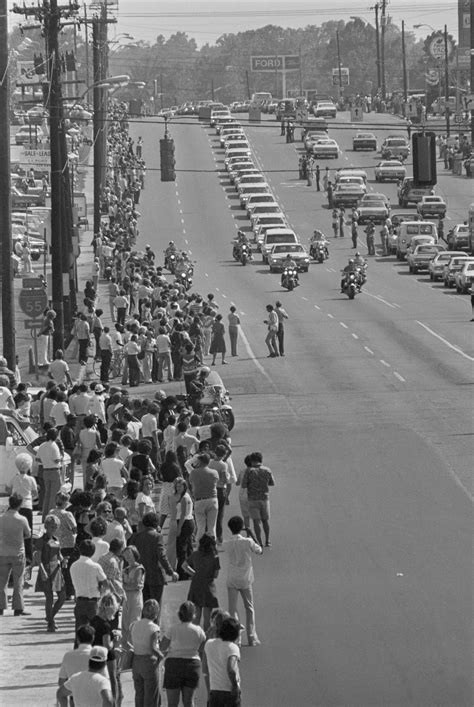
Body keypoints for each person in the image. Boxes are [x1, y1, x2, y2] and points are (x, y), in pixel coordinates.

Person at [223, 516, 262, 647]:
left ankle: (236, 638)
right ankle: (251, 636)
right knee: (249, 608)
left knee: (232, 609)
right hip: (245, 578)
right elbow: (259, 550)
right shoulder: (248, 541)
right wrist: (251, 535)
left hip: (232, 578)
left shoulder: (226, 543)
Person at [161, 600, 206, 707]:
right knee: (189, 702)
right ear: (193, 615)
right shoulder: (199, 631)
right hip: (193, 664)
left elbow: (162, 647)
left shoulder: (172, 629)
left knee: (172, 703)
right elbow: (203, 649)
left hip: (174, 665)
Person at [129, 511, 179, 604]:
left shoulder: (136, 537)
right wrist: (171, 572)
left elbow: (130, 554)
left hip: (140, 576)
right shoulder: (157, 537)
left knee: (144, 605)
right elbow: (161, 556)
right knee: (155, 606)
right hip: (155, 576)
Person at [34, 514, 66, 632]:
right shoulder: (40, 540)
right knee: (49, 598)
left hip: (56, 570)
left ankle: (50, 616)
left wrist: (64, 560)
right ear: (46, 526)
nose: (53, 529)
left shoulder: (56, 540)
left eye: (55, 527)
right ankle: (51, 623)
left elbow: (59, 555)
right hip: (46, 568)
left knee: (62, 596)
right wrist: (42, 571)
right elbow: (38, 557)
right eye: (51, 526)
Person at [0, 493, 31, 616]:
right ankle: (18, 608)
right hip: (18, 553)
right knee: (18, 581)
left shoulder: (1, 518)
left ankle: (1, 606)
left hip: (3, 552)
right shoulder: (22, 519)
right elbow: (28, 534)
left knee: (2, 581)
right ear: (20, 504)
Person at [90, 592, 122, 706]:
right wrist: (115, 640)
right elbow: (107, 645)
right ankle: (113, 702)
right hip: (107, 658)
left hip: (94, 655)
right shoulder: (105, 625)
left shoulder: (93, 620)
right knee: (113, 680)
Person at [183, 534, 220, 631]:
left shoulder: (195, 554)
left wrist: (194, 573)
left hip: (196, 585)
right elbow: (216, 575)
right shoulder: (215, 557)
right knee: (207, 619)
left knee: (196, 617)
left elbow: (184, 565)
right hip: (208, 587)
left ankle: (196, 639)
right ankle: (206, 640)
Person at [70, 539, 107, 633]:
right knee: (95, 632)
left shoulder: (73, 566)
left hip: (80, 602)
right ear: (93, 552)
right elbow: (105, 583)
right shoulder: (95, 566)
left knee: (80, 632)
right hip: (93, 602)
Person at [130, 599, 163, 707]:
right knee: (151, 697)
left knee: (139, 694)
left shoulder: (134, 625)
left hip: (136, 661)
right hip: (149, 662)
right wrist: (161, 656)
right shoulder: (154, 628)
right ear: (156, 614)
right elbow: (152, 648)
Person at [204, 617, 242, 707]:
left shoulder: (209, 644)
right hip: (229, 693)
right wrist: (235, 686)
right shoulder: (232, 647)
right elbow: (231, 669)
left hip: (214, 691)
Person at [9, 453, 38, 565]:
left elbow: (8, 489)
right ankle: (29, 557)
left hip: (15, 507)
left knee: (15, 532)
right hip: (27, 506)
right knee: (28, 533)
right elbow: (35, 494)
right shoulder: (31, 479)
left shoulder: (14, 478)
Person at [241, 452, 275, 548]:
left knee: (256, 521)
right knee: (265, 520)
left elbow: (243, 485)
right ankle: (267, 540)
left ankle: (259, 541)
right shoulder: (267, 470)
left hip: (252, 499)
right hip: (264, 498)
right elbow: (272, 483)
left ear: (251, 461)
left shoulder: (249, 471)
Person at [35, 427, 63, 521]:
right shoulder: (54, 445)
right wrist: (61, 457)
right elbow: (56, 460)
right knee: (54, 495)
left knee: (47, 495)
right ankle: (52, 517)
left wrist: (45, 460)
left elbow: (37, 459)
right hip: (54, 470)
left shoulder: (42, 445)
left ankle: (45, 517)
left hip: (45, 470)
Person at [57, 624, 97, 690]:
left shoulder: (68, 655)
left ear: (77, 639)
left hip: (74, 695)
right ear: (93, 638)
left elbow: (61, 681)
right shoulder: (96, 655)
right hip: (93, 695)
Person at [189, 453, 219, 540]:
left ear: (200, 461)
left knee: (201, 527)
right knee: (212, 527)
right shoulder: (214, 472)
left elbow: (191, 483)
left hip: (199, 500)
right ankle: (213, 549)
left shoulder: (194, 473)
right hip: (212, 499)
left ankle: (200, 549)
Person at [121, 544, 145, 644]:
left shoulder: (139, 568)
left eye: (129, 554)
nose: (127, 556)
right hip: (126, 598)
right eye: (125, 554)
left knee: (134, 622)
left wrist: (123, 586)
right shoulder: (125, 569)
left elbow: (135, 585)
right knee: (125, 623)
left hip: (135, 598)